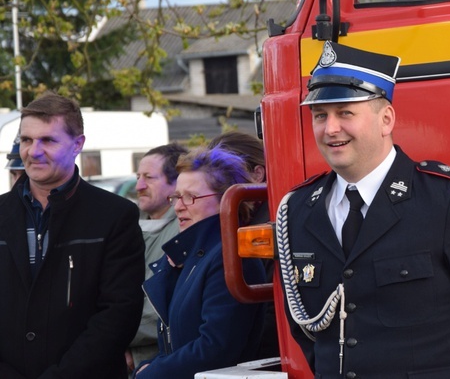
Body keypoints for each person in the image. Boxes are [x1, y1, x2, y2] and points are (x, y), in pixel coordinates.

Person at [277, 42, 450, 378]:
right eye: (320, 115)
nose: (330, 129)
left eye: (345, 113)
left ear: (386, 120)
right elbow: (307, 329)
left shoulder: (443, 199)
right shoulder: (298, 209)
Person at [0, 91, 145, 378]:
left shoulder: (114, 216)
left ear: (78, 144)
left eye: (48, 140)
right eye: (27, 140)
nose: (33, 151)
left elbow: (118, 315)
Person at [135, 146, 267, 378]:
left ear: (226, 201)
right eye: (176, 197)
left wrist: (151, 372)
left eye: (190, 197)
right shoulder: (194, 256)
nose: (178, 206)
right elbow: (175, 342)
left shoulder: (230, 256)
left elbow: (216, 347)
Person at [208, 130, 280, 361]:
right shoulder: (238, 220)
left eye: (226, 176)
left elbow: (272, 311)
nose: (215, 187)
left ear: (258, 174)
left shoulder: (268, 223)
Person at [126, 142, 188, 373]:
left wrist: (115, 335)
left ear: (176, 182)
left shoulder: (185, 230)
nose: (139, 185)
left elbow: (166, 307)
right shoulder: (128, 225)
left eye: (149, 178)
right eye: (138, 176)